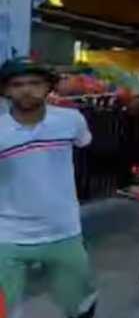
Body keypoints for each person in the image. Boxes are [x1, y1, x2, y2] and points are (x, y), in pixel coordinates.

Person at [0, 58, 97, 318]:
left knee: (81, 305)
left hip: (63, 230)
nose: (27, 90)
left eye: (35, 83)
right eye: (17, 84)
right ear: (6, 91)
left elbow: (86, 147)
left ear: (48, 87)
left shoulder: (71, 121)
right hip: (7, 235)